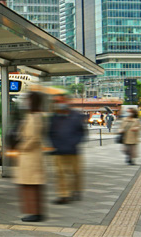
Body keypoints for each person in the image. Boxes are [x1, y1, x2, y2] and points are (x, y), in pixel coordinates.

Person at [48, 94, 87, 204]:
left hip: (73, 150)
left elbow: (82, 133)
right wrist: (54, 144)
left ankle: (76, 190)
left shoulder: (76, 116)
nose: (59, 104)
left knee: (76, 173)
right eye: (56, 101)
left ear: (67, 102)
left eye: (61, 101)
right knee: (60, 174)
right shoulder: (54, 117)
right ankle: (63, 195)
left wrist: (73, 143)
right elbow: (50, 133)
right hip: (59, 151)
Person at [15, 92, 46, 222]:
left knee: (30, 185)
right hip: (30, 157)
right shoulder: (33, 116)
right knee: (30, 185)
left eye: (28, 100)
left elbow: (34, 138)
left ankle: (34, 212)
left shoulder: (34, 118)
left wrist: (21, 146)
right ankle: (33, 212)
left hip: (30, 157)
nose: (25, 103)